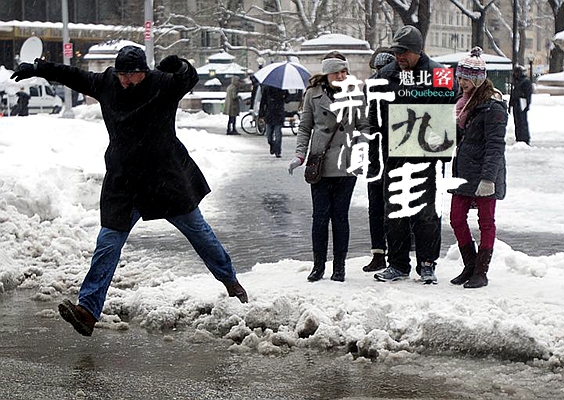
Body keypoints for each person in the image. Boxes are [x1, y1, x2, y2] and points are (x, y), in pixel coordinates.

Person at [11, 45, 248, 337]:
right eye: (121, 74)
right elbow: (73, 75)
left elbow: (188, 79)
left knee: (199, 232)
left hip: (164, 179)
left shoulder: (161, 83)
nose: (124, 81)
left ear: (143, 72)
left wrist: (181, 65)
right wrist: (38, 68)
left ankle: (230, 280)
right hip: (123, 182)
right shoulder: (107, 83)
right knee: (108, 244)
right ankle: (87, 311)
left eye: (130, 75)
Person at [368, 25, 457, 284]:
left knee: (426, 212)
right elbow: (373, 114)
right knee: (395, 211)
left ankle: (427, 264)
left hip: (427, 153)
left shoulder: (439, 74)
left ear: (419, 51)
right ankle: (398, 264)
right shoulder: (385, 75)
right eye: (397, 52)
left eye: (405, 52)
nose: (400, 57)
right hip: (394, 153)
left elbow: (452, 111)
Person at [288, 51, 369, 282]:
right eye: (337, 72)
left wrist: (362, 145)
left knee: (340, 216)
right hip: (320, 163)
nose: (342, 75)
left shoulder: (356, 93)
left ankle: (340, 267)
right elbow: (305, 127)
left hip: (346, 162)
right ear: (327, 74)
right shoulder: (312, 94)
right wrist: (299, 154)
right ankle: (318, 266)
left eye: (345, 71)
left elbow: (364, 125)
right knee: (320, 217)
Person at [450, 47, 507, 288]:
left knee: (486, 222)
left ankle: (481, 272)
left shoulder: (492, 106)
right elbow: (462, 137)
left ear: (477, 79)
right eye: (459, 77)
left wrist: (488, 179)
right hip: (464, 173)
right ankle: (470, 265)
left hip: (485, 173)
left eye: (465, 78)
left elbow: (495, 146)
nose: (461, 82)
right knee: (456, 219)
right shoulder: (464, 104)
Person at [363, 50, 396, 273]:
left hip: (389, 155)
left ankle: (390, 253)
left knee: (387, 207)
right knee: (378, 206)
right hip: (376, 156)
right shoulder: (372, 88)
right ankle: (380, 253)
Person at [259, 84, 287, 158]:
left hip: (279, 114)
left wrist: (285, 94)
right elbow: (263, 102)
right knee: (269, 136)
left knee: (278, 134)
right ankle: (272, 145)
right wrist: (261, 114)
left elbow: (287, 99)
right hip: (269, 115)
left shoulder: (282, 88)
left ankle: (278, 151)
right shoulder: (267, 89)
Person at [509, 65, 532, 145]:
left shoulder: (525, 81)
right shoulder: (516, 82)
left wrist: (527, 104)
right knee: (517, 121)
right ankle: (519, 137)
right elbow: (513, 94)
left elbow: (528, 94)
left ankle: (524, 138)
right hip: (517, 103)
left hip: (521, 103)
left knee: (522, 121)